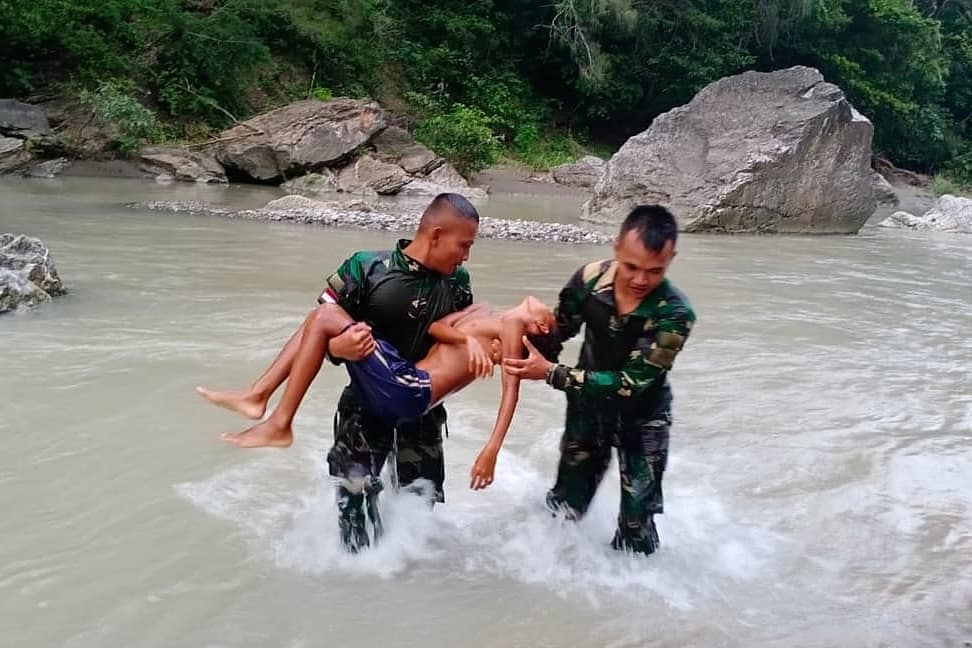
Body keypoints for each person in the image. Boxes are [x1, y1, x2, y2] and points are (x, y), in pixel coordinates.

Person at [197, 193, 477, 552]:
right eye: (464, 245)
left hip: (421, 411)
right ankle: (355, 579)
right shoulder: (366, 268)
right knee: (354, 502)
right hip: (364, 410)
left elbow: (454, 346)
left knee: (419, 505)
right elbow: (317, 331)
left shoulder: (458, 283)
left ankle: (407, 585)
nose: (466, 255)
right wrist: (334, 351)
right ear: (436, 234)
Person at [504, 205, 696, 556]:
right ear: (617, 247)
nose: (640, 280)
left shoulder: (674, 313)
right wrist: (524, 328)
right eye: (632, 267)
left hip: (643, 418)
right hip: (587, 410)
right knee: (564, 509)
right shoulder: (590, 280)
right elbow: (558, 331)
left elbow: (629, 382)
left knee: (637, 526)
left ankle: (633, 597)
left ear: (672, 259)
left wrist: (550, 372)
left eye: (655, 271)